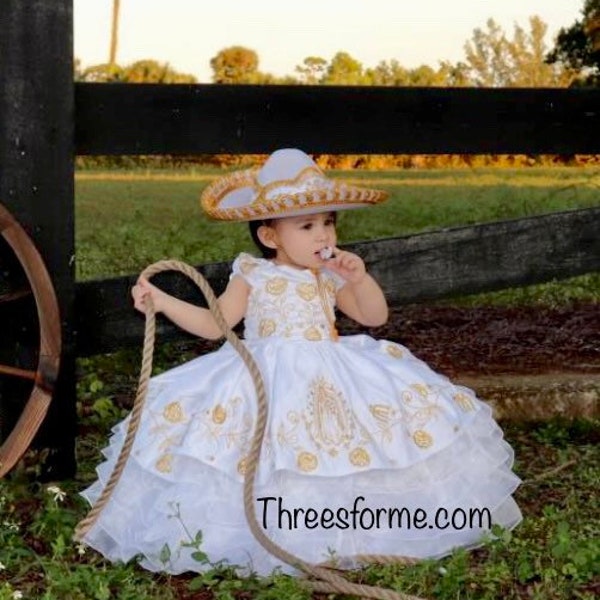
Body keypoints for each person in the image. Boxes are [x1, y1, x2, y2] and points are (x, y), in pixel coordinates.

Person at [80, 148, 521, 576]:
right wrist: (161, 300)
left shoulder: (329, 273)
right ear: (270, 236)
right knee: (268, 452)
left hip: (333, 373)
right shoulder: (254, 274)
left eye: (328, 222)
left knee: (347, 448)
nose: (324, 236)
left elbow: (374, 317)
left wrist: (359, 278)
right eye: (307, 225)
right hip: (265, 376)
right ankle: (271, 533)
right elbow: (217, 325)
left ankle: (350, 528)